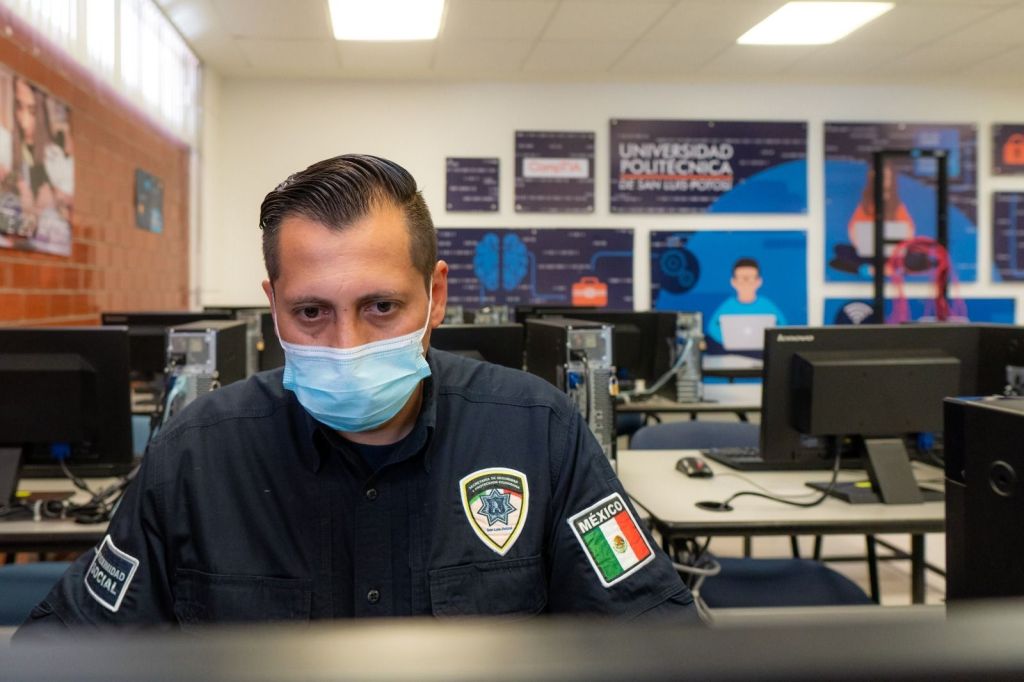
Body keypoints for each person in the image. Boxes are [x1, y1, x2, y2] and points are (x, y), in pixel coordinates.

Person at [16, 154, 696, 634]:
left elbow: (657, 636)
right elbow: (68, 647)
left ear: (436, 297)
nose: (346, 345)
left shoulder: (537, 432)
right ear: (273, 306)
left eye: (381, 307)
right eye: (311, 312)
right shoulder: (195, 456)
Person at [706, 257, 786, 346]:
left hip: (762, 350)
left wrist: (768, 341)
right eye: (741, 278)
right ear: (733, 282)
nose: (746, 283)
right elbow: (712, 328)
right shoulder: (727, 306)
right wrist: (729, 341)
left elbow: (782, 327)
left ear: (759, 281)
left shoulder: (767, 306)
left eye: (751, 278)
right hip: (732, 351)